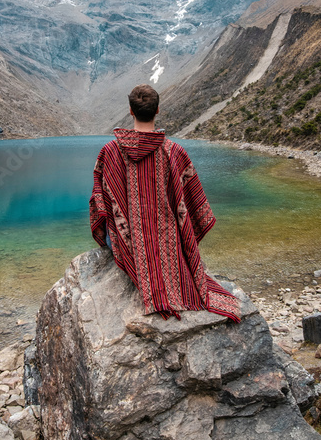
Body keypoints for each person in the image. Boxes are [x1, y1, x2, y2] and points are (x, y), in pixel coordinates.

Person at [89, 84, 239, 322]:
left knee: (111, 227)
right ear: (157, 110)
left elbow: (100, 200)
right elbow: (194, 200)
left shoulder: (109, 152)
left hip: (125, 241)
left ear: (130, 111)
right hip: (169, 239)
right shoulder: (174, 152)